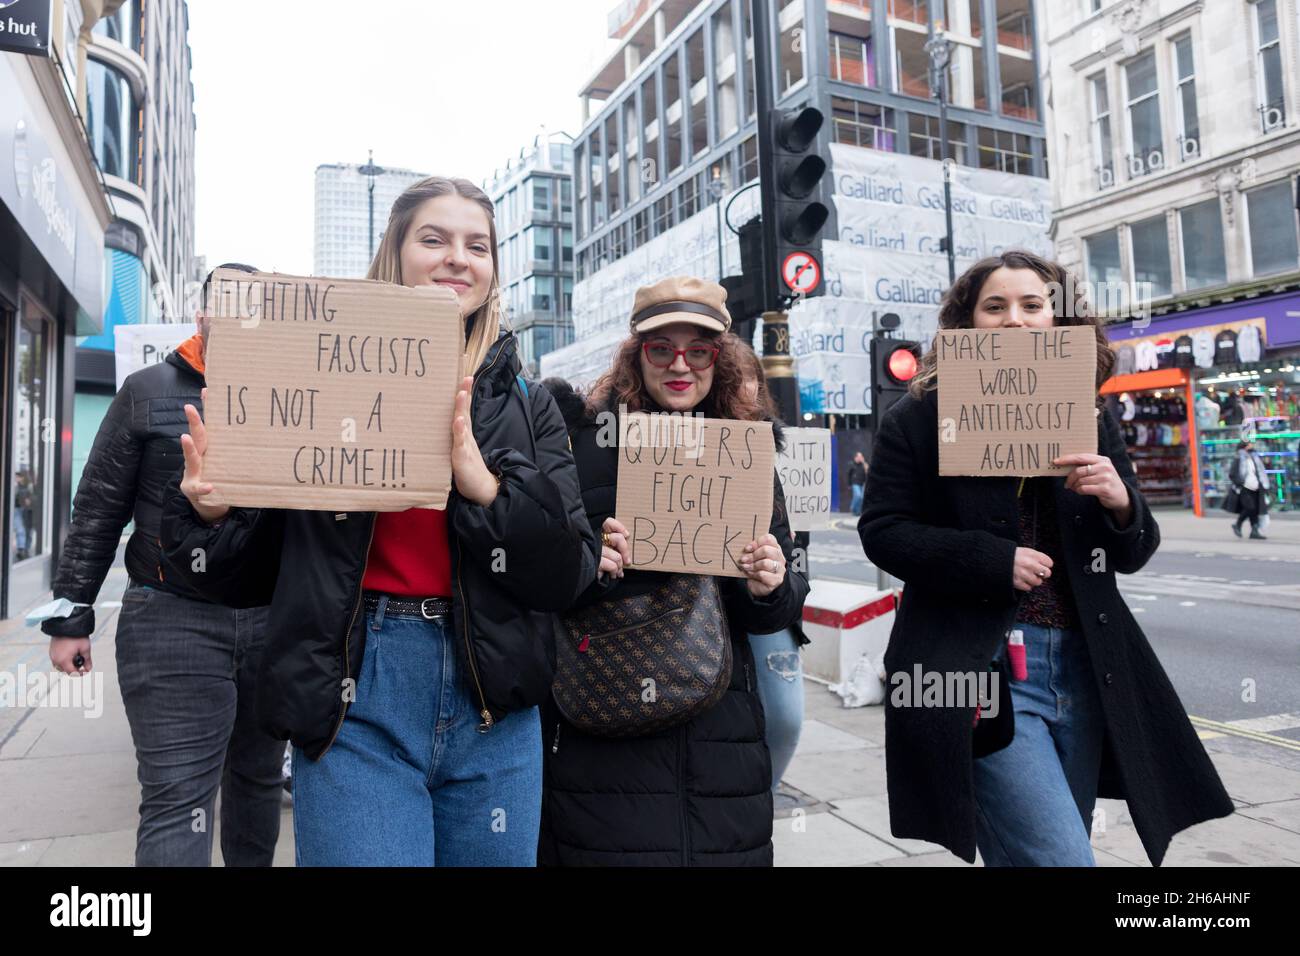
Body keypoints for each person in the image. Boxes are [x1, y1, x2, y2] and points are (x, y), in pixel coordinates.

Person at [161, 177, 597, 867]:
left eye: (477, 245)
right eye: (435, 239)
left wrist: (484, 489)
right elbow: (233, 575)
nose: (458, 257)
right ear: (394, 253)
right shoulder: (315, 374)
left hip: (494, 708)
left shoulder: (527, 403)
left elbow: (569, 572)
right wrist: (212, 511)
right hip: (356, 693)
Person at [859, 250, 1233, 867]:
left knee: (1051, 849)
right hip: (978, 671)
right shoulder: (920, 416)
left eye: (1033, 306)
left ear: (1057, 319)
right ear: (967, 323)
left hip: (1084, 668)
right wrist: (990, 559)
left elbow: (1134, 551)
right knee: (1062, 860)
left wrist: (1121, 504)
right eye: (995, 307)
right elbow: (883, 531)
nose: (1015, 320)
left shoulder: (1089, 413)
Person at [538, 276, 810, 866]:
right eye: (662, 348)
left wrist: (769, 584)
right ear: (638, 355)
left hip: (721, 733)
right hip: (605, 729)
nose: (679, 365)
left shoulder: (746, 449)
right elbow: (539, 581)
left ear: (721, 358)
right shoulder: (582, 442)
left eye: (698, 350)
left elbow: (784, 603)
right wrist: (594, 568)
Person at [41, 262, 285, 867]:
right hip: (170, 621)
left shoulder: (293, 400)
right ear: (201, 316)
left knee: (256, 782)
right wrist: (72, 616)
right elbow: (99, 505)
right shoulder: (147, 390)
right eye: (227, 305)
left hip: (272, 622)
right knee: (179, 799)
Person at [736, 342, 807, 793]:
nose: (741, 387)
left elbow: (797, 568)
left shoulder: (770, 454)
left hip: (763, 614)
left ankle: (767, 791)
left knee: (784, 716)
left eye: (749, 378)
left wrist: (777, 582)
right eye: (730, 375)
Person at [1228, 438, 1270, 540]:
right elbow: (1232, 474)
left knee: (1255, 510)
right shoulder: (1239, 458)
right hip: (1245, 488)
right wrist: (1241, 483)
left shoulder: (1254, 457)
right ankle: (1237, 524)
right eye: (1250, 444)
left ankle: (1254, 531)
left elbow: (1259, 472)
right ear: (1245, 446)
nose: (1252, 445)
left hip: (1256, 487)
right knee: (1250, 508)